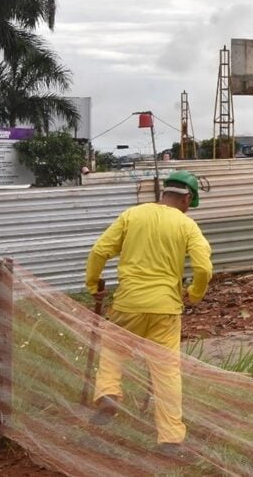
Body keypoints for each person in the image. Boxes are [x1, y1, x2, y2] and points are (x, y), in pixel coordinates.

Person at [85, 169, 213, 456]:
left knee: (113, 349)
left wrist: (93, 284)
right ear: (187, 198)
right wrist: (194, 294)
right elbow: (204, 267)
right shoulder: (187, 226)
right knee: (167, 371)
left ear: (164, 192)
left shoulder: (132, 215)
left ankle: (108, 393)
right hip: (165, 309)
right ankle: (169, 439)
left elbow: (99, 250)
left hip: (128, 304)